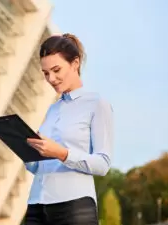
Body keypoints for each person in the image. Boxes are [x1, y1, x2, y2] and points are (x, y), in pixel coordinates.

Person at [24, 33, 114, 225]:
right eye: (46, 73)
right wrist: (28, 152)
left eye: (56, 70)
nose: (51, 78)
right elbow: (40, 166)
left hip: (74, 207)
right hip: (37, 204)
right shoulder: (52, 109)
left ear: (75, 63)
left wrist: (62, 153)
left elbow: (103, 164)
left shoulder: (96, 104)